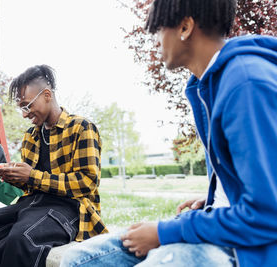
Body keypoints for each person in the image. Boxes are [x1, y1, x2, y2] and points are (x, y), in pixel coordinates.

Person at [60, 0, 277, 266]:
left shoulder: (246, 83)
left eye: (158, 30)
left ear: (185, 27)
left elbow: (268, 213)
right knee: (78, 259)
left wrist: (166, 232)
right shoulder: (206, 85)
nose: (155, 42)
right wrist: (220, 194)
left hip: (252, 249)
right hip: (226, 227)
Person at [0, 65, 107, 267]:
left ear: (47, 95)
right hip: (31, 204)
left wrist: (31, 176)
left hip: (71, 208)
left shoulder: (81, 128)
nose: (24, 114)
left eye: (27, 105)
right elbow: (29, 186)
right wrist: (11, 175)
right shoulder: (31, 136)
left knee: (20, 240)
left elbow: (87, 182)